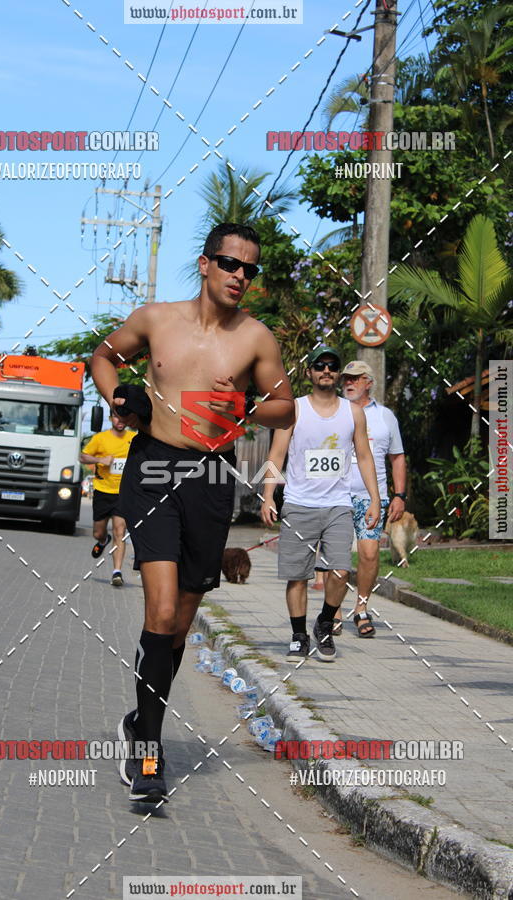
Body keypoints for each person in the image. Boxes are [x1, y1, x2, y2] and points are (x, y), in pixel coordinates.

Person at [90, 222, 295, 803]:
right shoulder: (156, 319)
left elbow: (286, 410)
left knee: (180, 623)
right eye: (232, 265)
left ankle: (138, 721)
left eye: (250, 270)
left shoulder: (256, 338)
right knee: (158, 610)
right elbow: (102, 357)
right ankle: (149, 753)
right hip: (154, 467)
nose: (241, 277)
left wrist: (250, 404)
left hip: (210, 478)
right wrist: (118, 399)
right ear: (205, 264)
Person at [261, 346, 380, 662]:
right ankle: (299, 636)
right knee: (297, 576)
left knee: (340, 571)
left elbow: (365, 457)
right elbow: (276, 455)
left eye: (332, 366)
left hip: (338, 505)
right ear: (309, 372)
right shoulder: (295, 410)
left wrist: (375, 499)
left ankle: (325, 623)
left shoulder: (352, 412)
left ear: (338, 373)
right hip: (299, 504)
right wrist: (269, 494)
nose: (326, 370)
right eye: (320, 366)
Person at [336, 359, 407, 637]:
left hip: (371, 497)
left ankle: (361, 608)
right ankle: (334, 611)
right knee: (337, 559)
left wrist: (400, 495)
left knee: (369, 553)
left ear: (369, 382)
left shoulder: (385, 416)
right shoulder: (334, 411)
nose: (349, 383)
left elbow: (397, 457)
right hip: (337, 496)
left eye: (355, 378)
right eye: (346, 379)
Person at [80, 412, 137, 586]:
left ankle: (117, 572)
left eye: (123, 417)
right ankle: (104, 540)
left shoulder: (134, 438)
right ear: (111, 418)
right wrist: (100, 459)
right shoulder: (100, 438)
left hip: (124, 492)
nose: (120, 421)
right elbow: (82, 457)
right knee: (98, 532)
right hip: (103, 491)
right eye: (117, 417)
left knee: (120, 530)